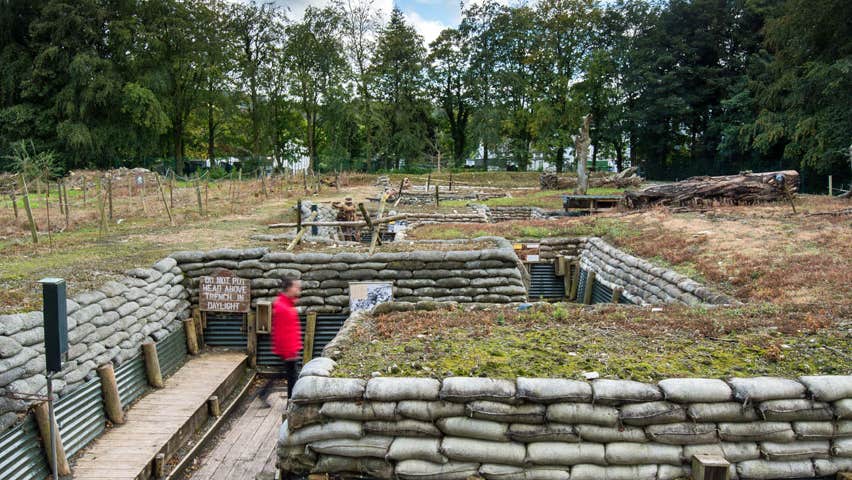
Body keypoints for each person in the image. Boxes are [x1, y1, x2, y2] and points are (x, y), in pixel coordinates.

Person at [259, 278, 302, 407]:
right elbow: (282, 332)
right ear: (289, 288)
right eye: (296, 287)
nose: (299, 290)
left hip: (290, 348)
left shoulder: (287, 304)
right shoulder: (283, 307)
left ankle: (264, 393)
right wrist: (290, 351)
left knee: (285, 374)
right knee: (290, 377)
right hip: (288, 349)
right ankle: (290, 403)